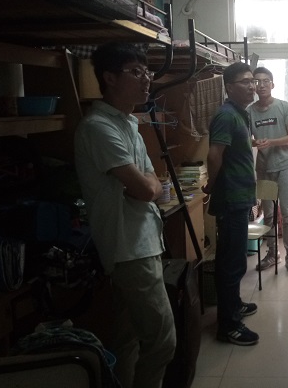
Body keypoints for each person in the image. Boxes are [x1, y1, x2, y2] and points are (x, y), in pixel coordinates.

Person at [74, 43, 176, 388]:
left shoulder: (129, 124)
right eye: (136, 71)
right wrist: (146, 185)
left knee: (128, 338)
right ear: (109, 78)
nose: (147, 79)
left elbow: (151, 183)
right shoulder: (98, 127)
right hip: (129, 247)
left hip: (142, 241)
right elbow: (148, 188)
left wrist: (146, 184)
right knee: (162, 340)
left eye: (147, 71)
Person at [202, 61, 260, 346]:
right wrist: (211, 186)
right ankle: (228, 326)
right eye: (245, 82)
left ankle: (234, 304)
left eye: (252, 81)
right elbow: (215, 155)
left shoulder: (240, 113)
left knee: (235, 258)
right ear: (229, 87)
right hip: (231, 198)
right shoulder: (226, 115)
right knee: (231, 262)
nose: (252, 86)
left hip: (240, 196)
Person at [247, 66, 288, 274]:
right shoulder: (249, 111)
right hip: (264, 169)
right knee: (268, 215)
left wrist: (271, 142)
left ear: (272, 84)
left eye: (265, 81)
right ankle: (272, 253)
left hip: (284, 167)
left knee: (287, 213)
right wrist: (255, 142)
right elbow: (247, 139)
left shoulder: (283, 107)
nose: (261, 85)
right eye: (257, 81)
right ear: (253, 86)